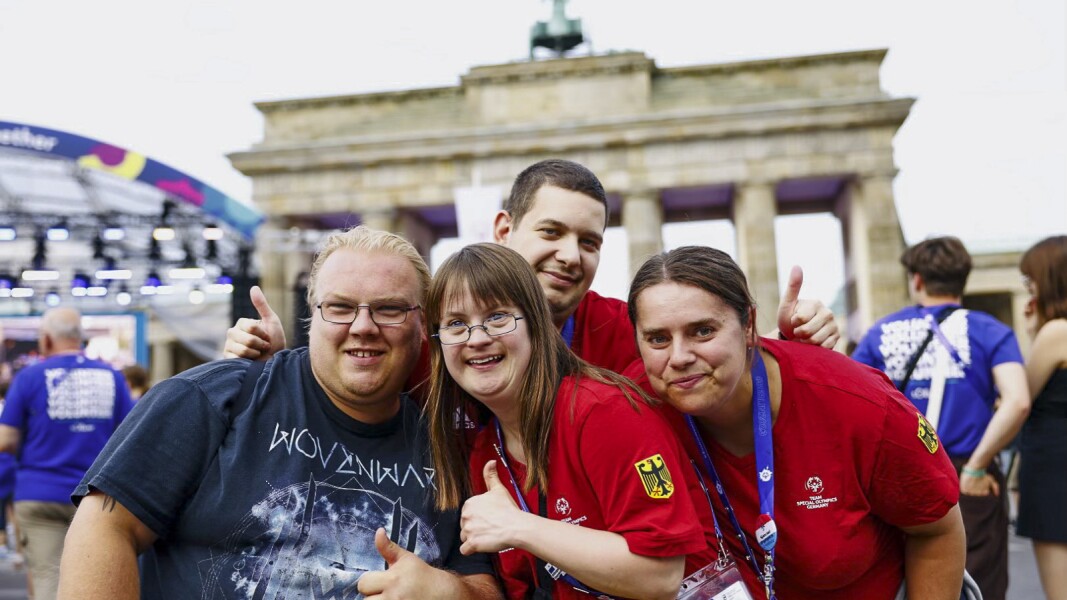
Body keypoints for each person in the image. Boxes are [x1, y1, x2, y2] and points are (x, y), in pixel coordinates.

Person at [57, 227, 500, 600]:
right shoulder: (212, 399)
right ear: (312, 316)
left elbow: (482, 582)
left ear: (424, 326)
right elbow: (105, 527)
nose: (363, 326)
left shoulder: (447, 445)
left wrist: (445, 589)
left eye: (389, 309)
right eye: (341, 307)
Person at [223, 159, 840, 372]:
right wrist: (280, 364)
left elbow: (712, 372)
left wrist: (792, 347)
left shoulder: (630, 330)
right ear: (503, 230)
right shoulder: (431, 326)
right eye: (551, 231)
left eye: (590, 241)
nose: (571, 255)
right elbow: (360, 362)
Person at [627, 245, 966, 599]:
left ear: (749, 326)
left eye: (702, 331)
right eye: (658, 338)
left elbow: (937, 530)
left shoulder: (856, 402)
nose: (679, 357)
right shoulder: (632, 405)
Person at [425, 243, 704, 599]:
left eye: (497, 317)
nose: (477, 338)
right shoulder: (486, 452)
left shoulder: (603, 413)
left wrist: (521, 527)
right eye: (456, 324)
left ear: (536, 324)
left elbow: (661, 575)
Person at [851, 236, 1030, 600]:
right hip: (968, 472)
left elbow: (852, 404)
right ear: (964, 279)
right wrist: (977, 467)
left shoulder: (879, 333)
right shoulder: (990, 330)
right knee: (979, 584)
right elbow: (1017, 401)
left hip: (899, 472)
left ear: (916, 279)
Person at [0, 307, 135, 600]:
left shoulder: (29, 378)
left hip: (39, 494)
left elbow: (6, 440)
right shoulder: (111, 377)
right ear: (80, 339)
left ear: (46, 340)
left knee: (49, 575)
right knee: (96, 579)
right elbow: (131, 435)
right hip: (97, 496)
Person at [1016, 235, 1067, 600]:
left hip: (1054, 469)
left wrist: (1034, 332)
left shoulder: (1056, 332)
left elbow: (1022, 396)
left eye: (1029, 279)